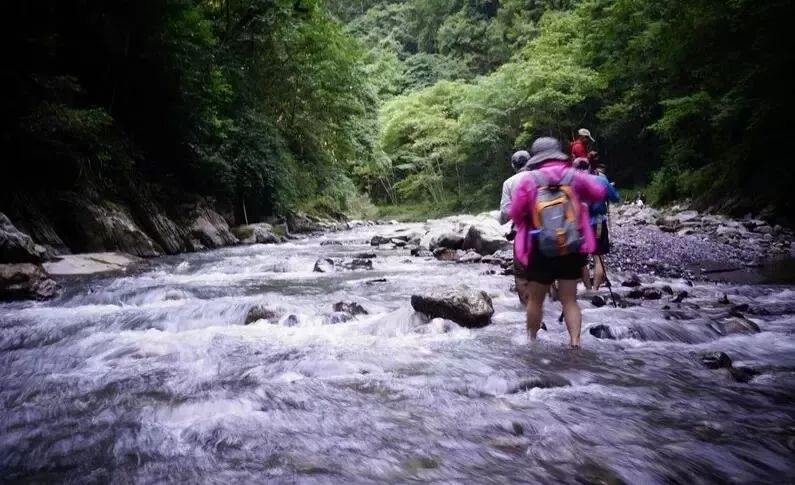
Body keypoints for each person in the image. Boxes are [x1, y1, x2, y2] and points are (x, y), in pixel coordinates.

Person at [509, 137, 607, 348]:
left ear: (536, 157)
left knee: (535, 301)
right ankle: (575, 342)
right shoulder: (573, 176)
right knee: (569, 300)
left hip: (541, 249)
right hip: (571, 246)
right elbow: (599, 192)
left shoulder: (529, 180)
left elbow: (515, 212)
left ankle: (532, 343)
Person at [499, 150, 533, 305]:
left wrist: (501, 220)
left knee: (521, 275)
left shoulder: (509, 183)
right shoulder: (543, 177)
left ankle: (528, 312)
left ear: (514, 165)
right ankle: (552, 308)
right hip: (547, 231)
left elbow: (506, 212)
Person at [589, 163, 620, 291]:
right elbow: (615, 198)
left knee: (582, 260)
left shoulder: (577, 182)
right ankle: (595, 290)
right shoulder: (602, 180)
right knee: (598, 258)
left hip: (581, 225)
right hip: (598, 223)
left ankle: (586, 286)